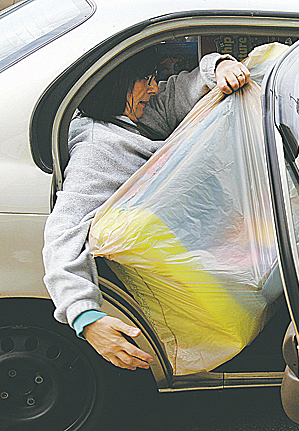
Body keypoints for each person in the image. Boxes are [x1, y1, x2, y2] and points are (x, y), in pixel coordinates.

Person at [42, 46, 250, 371]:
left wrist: (218, 68)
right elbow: (64, 232)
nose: (154, 88)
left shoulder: (132, 114)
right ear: (117, 82)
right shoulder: (100, 150)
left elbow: (181, 88)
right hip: (196, 282)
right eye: (146, 79)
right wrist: (85, 315)